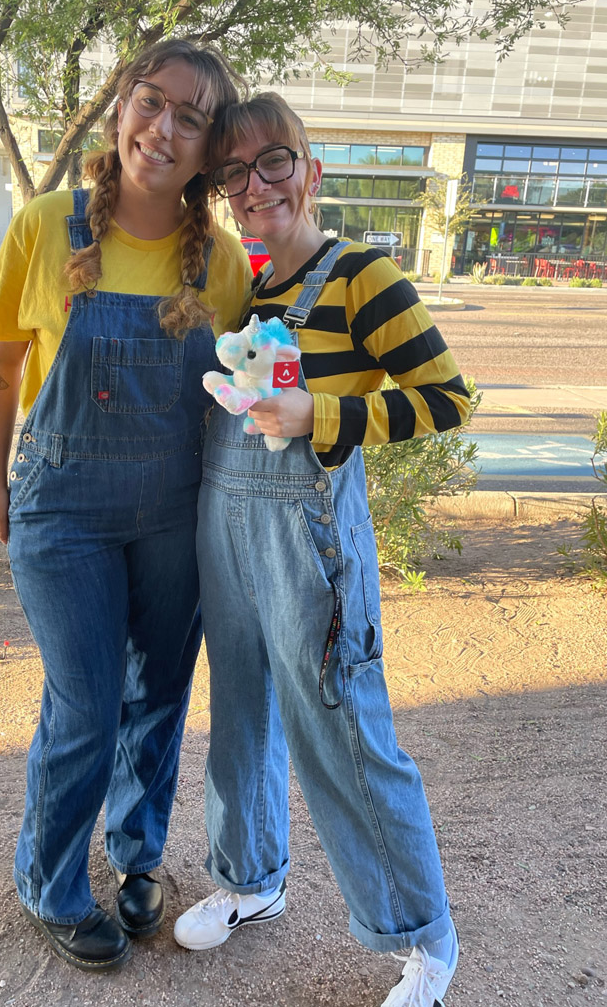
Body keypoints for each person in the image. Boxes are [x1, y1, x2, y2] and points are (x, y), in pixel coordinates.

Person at [173, 93, 471, 1007]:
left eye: (273, 162)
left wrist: (322, 413)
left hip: (311, 536)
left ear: (310, 169)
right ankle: (251, 879)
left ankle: (424, 934)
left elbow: (448, 398)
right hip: (226, 529)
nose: (254, 185)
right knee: (242, 710)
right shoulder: (251, 291)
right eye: (234, 172)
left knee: (343, 724)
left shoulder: (363, 276)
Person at [0, 39, 250, 973]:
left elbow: (243, 388)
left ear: (208, 149)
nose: (163, 129)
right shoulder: (46, 225)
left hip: (177, 511)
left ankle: (138, 853)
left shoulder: (220, 262)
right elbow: (1, 362)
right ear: (121, 106)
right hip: (62, 512)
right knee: (85, 704)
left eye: (191, 118)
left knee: (159, 693)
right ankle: (49, 881)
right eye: (150, 101)